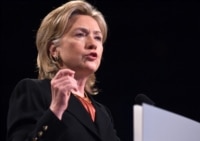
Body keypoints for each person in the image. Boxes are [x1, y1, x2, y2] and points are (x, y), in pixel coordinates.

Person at [6, 0, 121, 141]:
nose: (93, 44)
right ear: (54, 50)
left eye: (98, 37)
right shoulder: (34, 91)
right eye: (80, 34)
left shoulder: (102, 113)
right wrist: (56, 110)